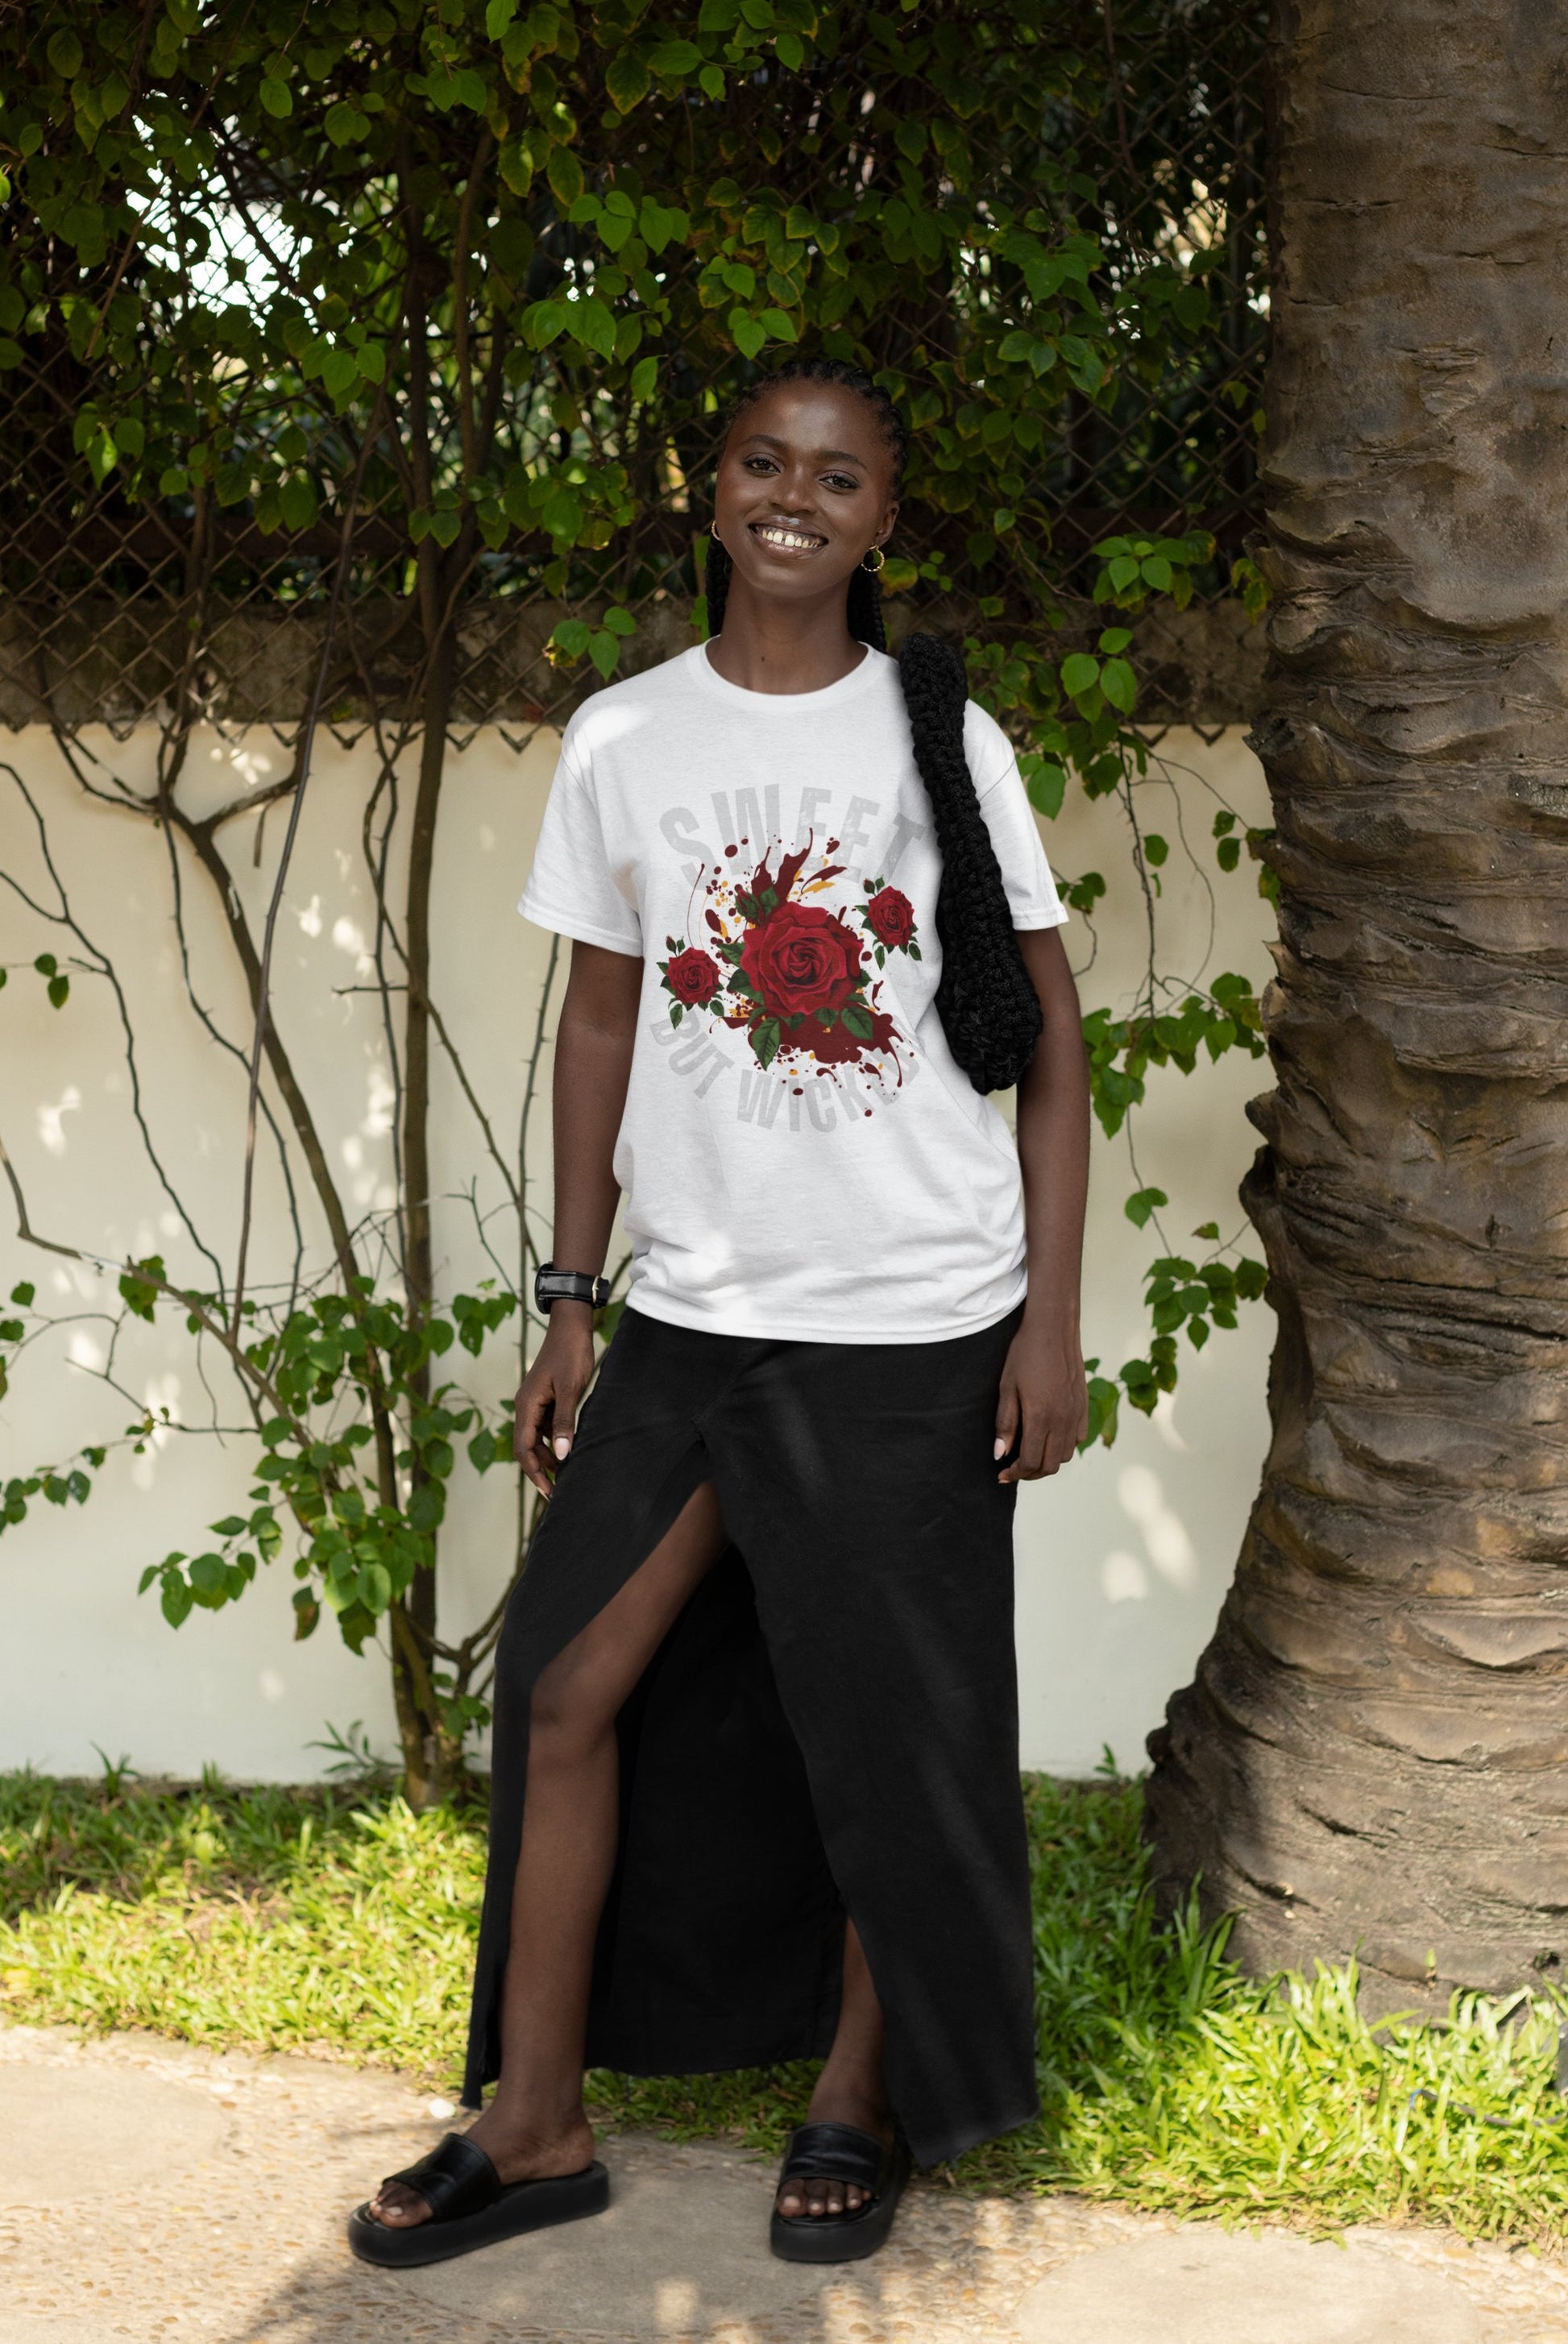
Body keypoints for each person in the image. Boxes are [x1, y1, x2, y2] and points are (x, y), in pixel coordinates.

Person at [348, 357, 1090, 2271]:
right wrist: (573, 1297)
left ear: (882, 513)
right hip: (684, 1316)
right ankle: (533, 2122)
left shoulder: (946, 738)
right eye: (762, 460)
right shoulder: (624, 740)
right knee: (565, 1686)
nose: (795, 496)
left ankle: (859, 2096)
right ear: (710, 487)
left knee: (875, 1724)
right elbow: (601, 1019)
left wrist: (1048, 1323)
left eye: (837, 473)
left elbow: (1055, 1050)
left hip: (915, 1317)